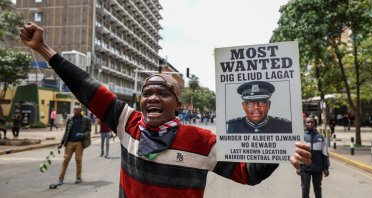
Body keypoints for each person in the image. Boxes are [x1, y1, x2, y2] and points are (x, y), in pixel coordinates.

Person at [20, 22, 311, 198]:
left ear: (178, 104)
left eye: (163, 92)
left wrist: (281, 150)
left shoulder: (203, 142)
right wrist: (44, 48)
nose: (152, 97)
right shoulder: (126, 122)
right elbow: (86, 86)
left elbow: (248, 174)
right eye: (147, 92)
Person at [227, 81, 292, 133]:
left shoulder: (285, 126)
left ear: (269, 105)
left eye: (262, 102)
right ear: (243, 106)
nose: (256, 107)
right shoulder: (232, 126)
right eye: (250, 103)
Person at [56, 105, 92, 185]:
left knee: (78, 160)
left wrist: (83, 134)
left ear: (80, 111)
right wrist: (61, 143)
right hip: (69, 142)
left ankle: (78, 177)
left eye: (77, 110)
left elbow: (89, 130)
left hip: (79, 143)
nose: (75, 111)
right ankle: (60, 178)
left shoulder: (86, 120)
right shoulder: (70, 119)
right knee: (66, 160)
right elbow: (66, 132)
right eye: (74, 110)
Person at [297, 117, 330, 198]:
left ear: (314, 123)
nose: (310, 124)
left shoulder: (320, 137)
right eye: (308, 122)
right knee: (305, 189)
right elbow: (298, 153)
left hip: (318, 168)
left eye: (312, 122)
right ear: (305, 123)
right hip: (305, 168)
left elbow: (325, 153)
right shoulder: (301, 137)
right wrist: (298, 167)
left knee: (318, 189)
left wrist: (326, 167)